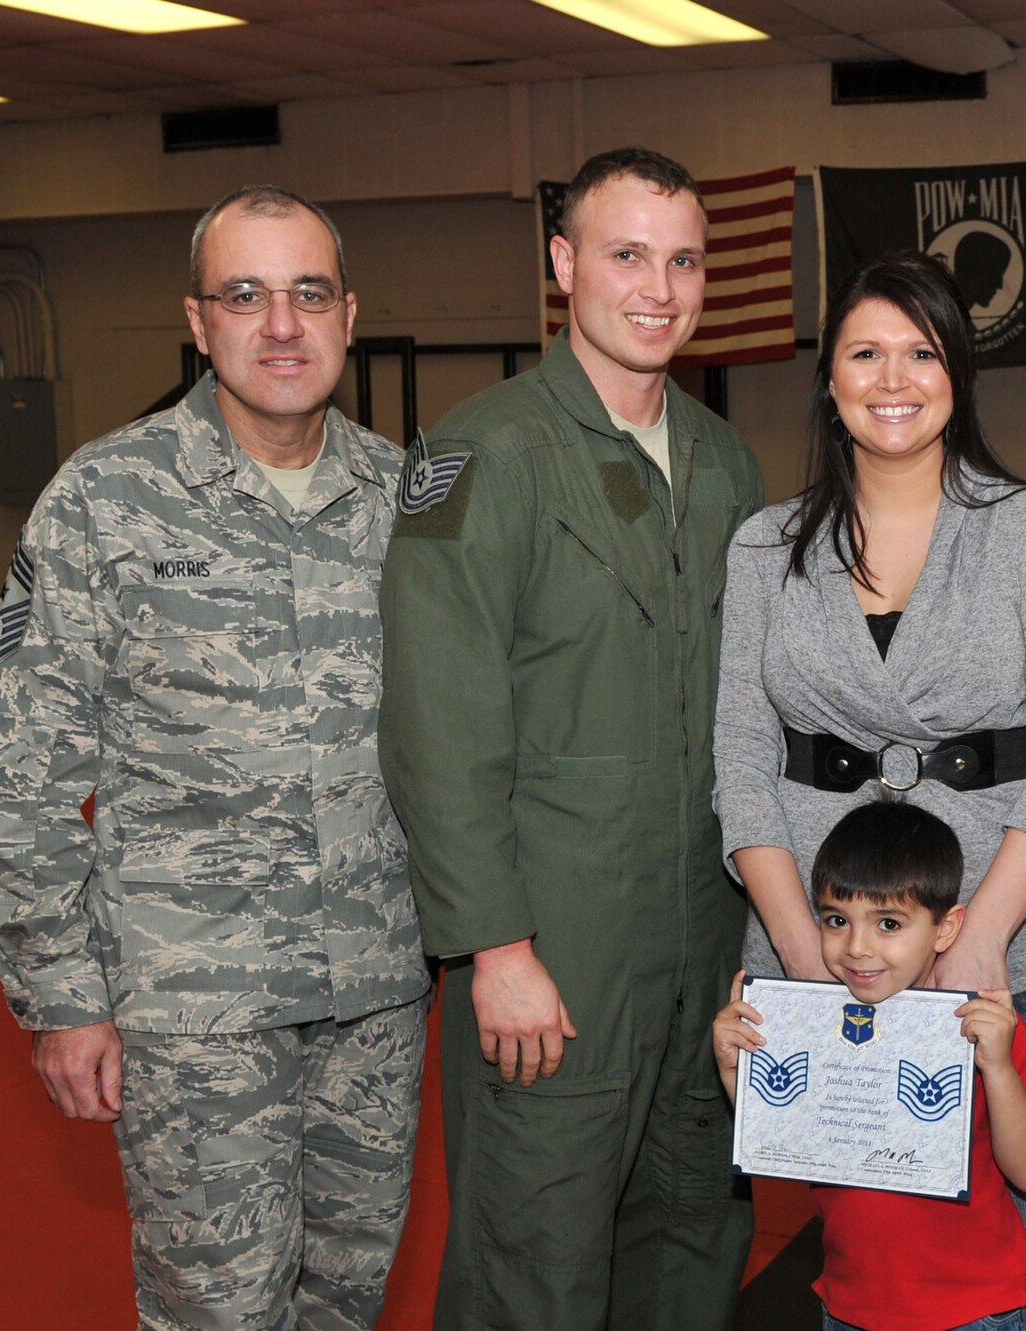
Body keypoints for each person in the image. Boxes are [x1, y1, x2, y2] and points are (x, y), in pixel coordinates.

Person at [0, 184, 429, 1331]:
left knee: (345, 1297)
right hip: (191, 1012)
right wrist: (61, 994)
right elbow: (12, 772)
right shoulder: (104, 502)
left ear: (349, 314)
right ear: (197, 320)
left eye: (308, 293)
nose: (280, 324)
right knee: (216, 1307)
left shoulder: (409, 501)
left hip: (373, 991)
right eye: (245, 294)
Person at [378, 147, 763, 1330]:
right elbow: (435, 722)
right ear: (563, 266)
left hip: (703, 932)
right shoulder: (475, 455)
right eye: (625, 254)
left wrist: (762, 930)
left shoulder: (724, 459)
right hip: (557, 951)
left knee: (694, 1230)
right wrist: (493, 946)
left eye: (683, 259)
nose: (658, 287)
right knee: (532, 1254)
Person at [714, 249, 1026, 1329]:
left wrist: (979, 936)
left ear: (956, 372)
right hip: (822, 954)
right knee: (872, 1281)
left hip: (1008, 956)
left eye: (921, 351)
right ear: (829, 381)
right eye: (865, 352)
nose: (893, 378)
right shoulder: (763, 550)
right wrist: (803, 957)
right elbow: (741, 768)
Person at [713, 800, 1026, 1331]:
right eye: (836, 920)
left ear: (946, 930)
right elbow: (796, 1141)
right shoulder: (810, 1027)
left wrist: (1000, 1069)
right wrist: (741, 1075)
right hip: (850, 1305)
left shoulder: (979, 1024)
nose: (857, 948)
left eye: (889, 923)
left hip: (973, 1310)